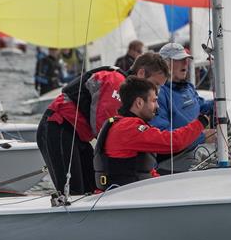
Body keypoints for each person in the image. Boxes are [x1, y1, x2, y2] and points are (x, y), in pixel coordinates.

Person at [35, 52, 170, 195]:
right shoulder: (116, 82)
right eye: (155, 84)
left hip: (76, 135)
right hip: (58, 128)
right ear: (141, 73)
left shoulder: (126, 89)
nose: (156, 91)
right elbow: (105, 126)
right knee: (73, 193)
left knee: (91, 188)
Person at [93, 77, 208, 188]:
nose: (157, 106)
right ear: (139, 103)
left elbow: (143, 170)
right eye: (154, 101)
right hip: (126, 197)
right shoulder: (128, 129)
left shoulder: (123, 124)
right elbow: (173, 142)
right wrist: (200, 123)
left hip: (129, 193)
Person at [151, 42, 214, 173]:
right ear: (166, 64)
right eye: (180, 60)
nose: (185, 63)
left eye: (186, 59)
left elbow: (202, 106)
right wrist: (202, 137)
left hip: (197, 150)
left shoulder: (188, 87)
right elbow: (163, 138)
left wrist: (223, 100)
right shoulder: (159, 94)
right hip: (174, 160)